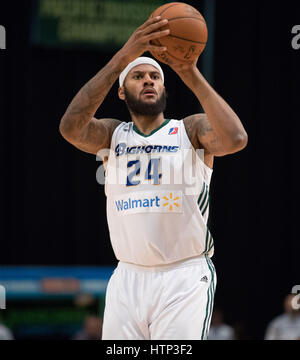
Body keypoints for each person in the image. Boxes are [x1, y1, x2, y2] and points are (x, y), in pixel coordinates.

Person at [59, 16, 248, 340]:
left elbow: (235, 138)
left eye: (154, 76)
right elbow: (70, 128)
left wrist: (190, 71)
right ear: (121, 91)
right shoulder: (112, 135)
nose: (148, 80)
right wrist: (122, 57)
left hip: (184, 275)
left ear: (163, 87)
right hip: (127, 277)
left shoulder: (189, 130)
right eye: (137, 76)